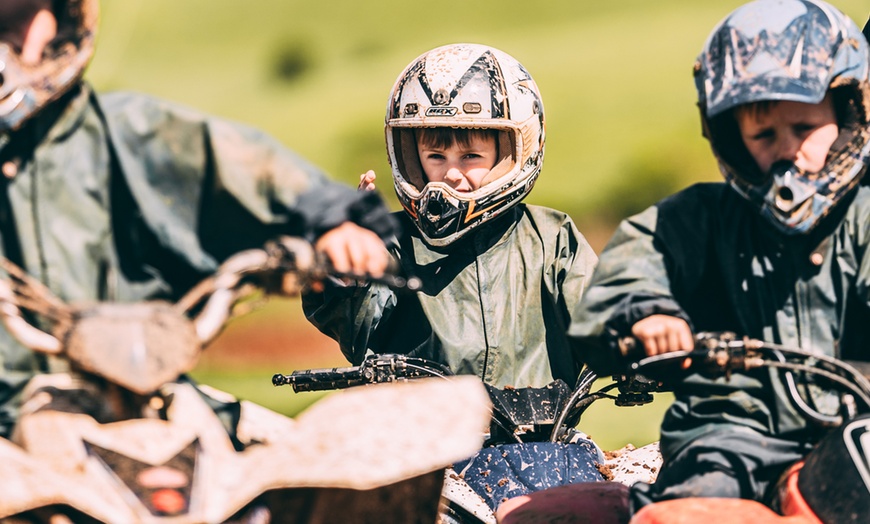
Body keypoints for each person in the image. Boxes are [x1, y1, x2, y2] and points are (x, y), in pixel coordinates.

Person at [0, 0, 397, 438]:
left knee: (309, 470)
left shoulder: (118, 130)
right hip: (11, 427)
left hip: (142, 400)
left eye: (18, 15)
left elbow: (229, 165)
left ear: (66, 17)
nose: (9, 39)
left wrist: (331, 219)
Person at [563, 0, 870, 518]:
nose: (788, 149)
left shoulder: (863, 217)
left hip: (854, 425)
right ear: (731, 138)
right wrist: (646, 315)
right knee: (698, 504)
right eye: (764, 135)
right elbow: (627, 273)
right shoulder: (701, 216)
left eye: (805, 129)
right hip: (729, 433)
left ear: (847, 118)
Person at [303, 43, 598, 389]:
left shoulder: (552, 237)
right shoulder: (393, 241)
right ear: (411, 158)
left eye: (470, 156)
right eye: (436, 157)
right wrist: (349, 271)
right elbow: (359, 331)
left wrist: (637, 337)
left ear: (514, 153)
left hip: (546, 430)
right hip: (427, 433)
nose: (452, 174)